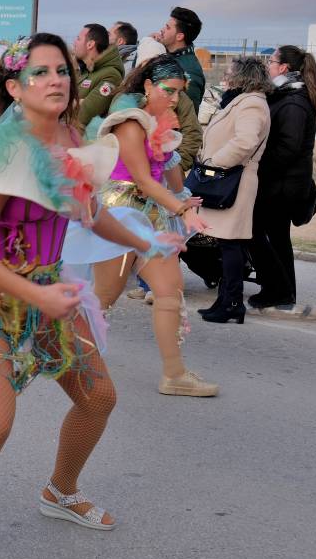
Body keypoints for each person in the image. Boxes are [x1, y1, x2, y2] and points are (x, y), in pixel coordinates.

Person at [0, 33, 183, 559]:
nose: (57, 79)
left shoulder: (70, 137)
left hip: (43, 289)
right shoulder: (0, 150)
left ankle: (61, 490)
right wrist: (36, 295)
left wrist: (145, 241)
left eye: (62, 69)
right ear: (14, 87)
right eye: (40, 73)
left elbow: (83, 210)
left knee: (99, 397)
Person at [88, 56, 219, 396]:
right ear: (147, 86)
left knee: (170, 291)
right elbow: (143, 181)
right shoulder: (129, 124)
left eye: (180, 92)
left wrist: (184, 205)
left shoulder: (158, 127)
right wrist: (179, 207)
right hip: (120, 214)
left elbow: (172, 181)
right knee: (104, 296)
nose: (175, 99)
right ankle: (72, 358)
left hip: (153, 217)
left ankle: (174, 374)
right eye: (169, 91)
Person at [193, 57, 271, 324]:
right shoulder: (241, 101)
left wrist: (215, 162)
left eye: (230, 72)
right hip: (229, 178)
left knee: (231, 244)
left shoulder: (252, 104)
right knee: (228, 244)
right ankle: (227, 301)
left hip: (234, 180)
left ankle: (232, 303)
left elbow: (245, 141)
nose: (225, 76)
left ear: (244, 76)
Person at [250, 45, 316, 309]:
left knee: (265, 234)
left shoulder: (294, 101)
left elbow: (289, 147)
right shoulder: (284, 95)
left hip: (282, 185)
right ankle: (280, 289)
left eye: (271, 61)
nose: (268, 65)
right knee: (275, 236)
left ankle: (279, 290)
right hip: (280, 182)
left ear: (284, 68)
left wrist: (259, 167)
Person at [73, 23, 125, 127]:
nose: (74, 42)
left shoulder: (111, 75)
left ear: (90, 44)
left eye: (78, 39)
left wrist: (69, 103)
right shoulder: (86, 70)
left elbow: (84, 115)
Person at [155, 6, 206, 110]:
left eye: (168, 27)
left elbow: (188, 114)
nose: (162, 30)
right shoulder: (164, 57)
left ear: (179, 36)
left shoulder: (189, 72)